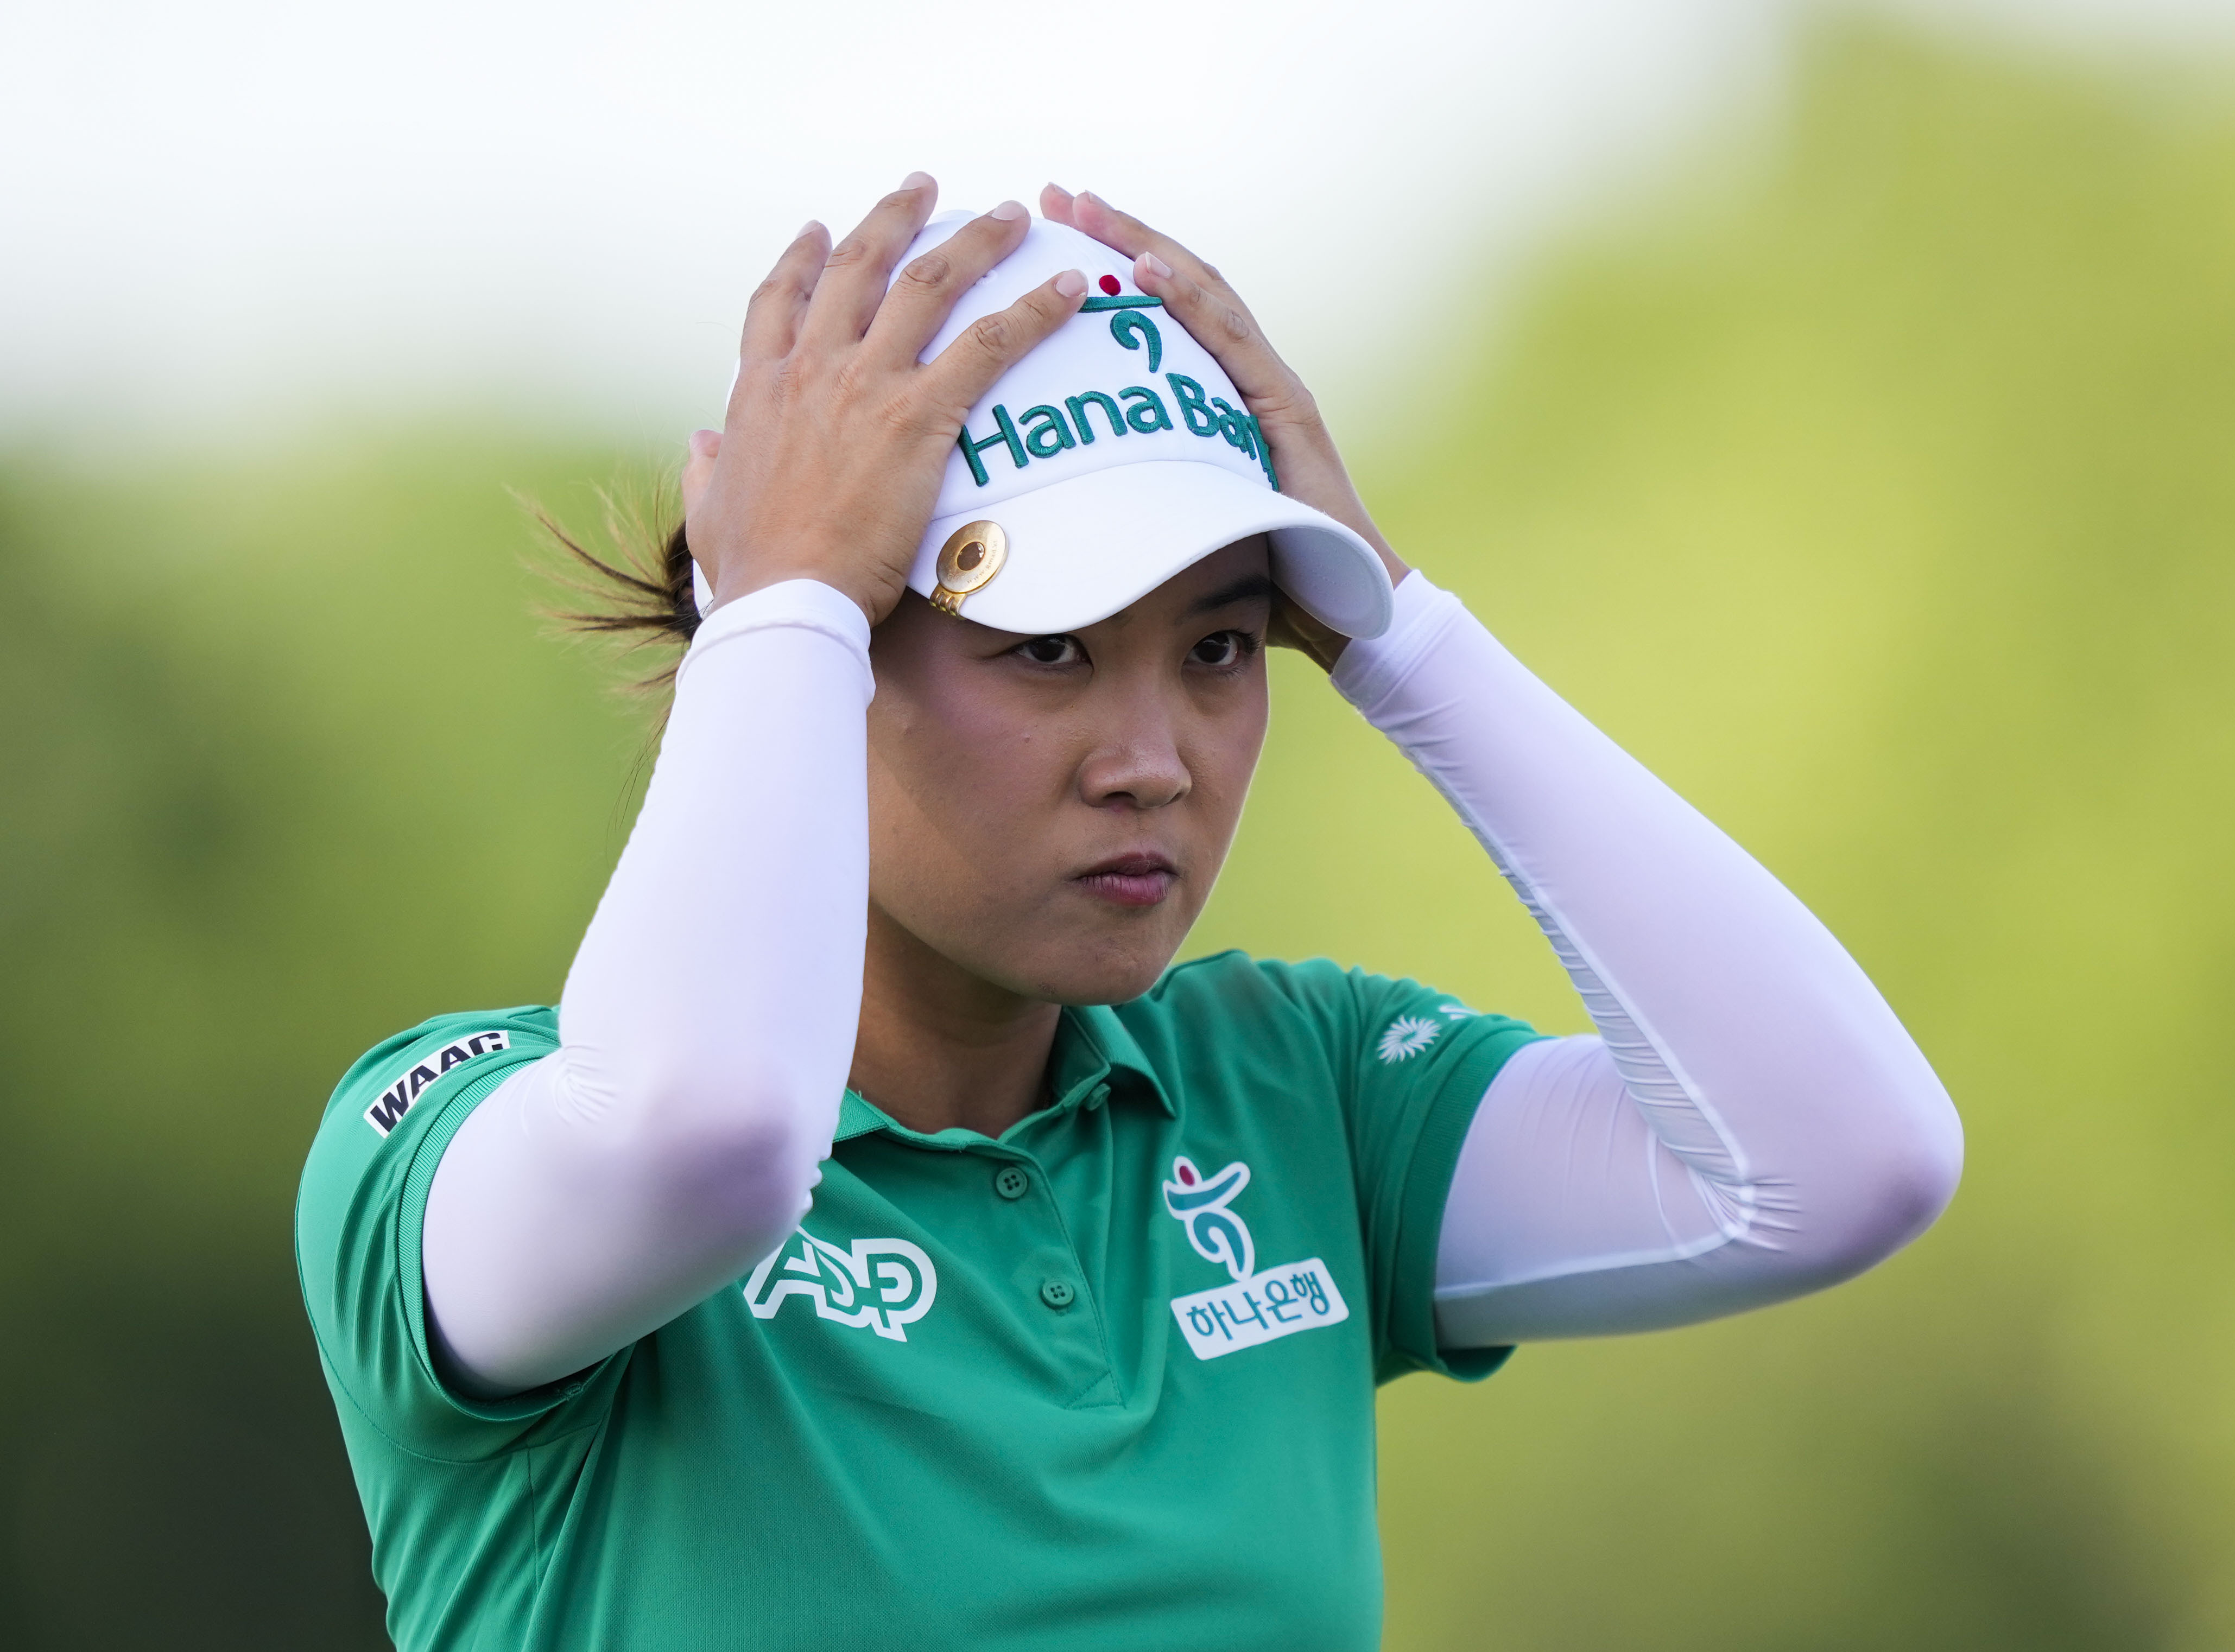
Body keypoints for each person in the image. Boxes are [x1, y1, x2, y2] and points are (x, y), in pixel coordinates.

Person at [295, 174, 1963, 1651]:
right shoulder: (450, 1148)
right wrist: (783, 596)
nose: (1156, 761)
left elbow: (1845, 1163)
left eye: (1222, 645)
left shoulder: (1294, 1093)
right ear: (818, 663)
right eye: (1048, 649)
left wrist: (1400, 632)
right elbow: (705, 1137)